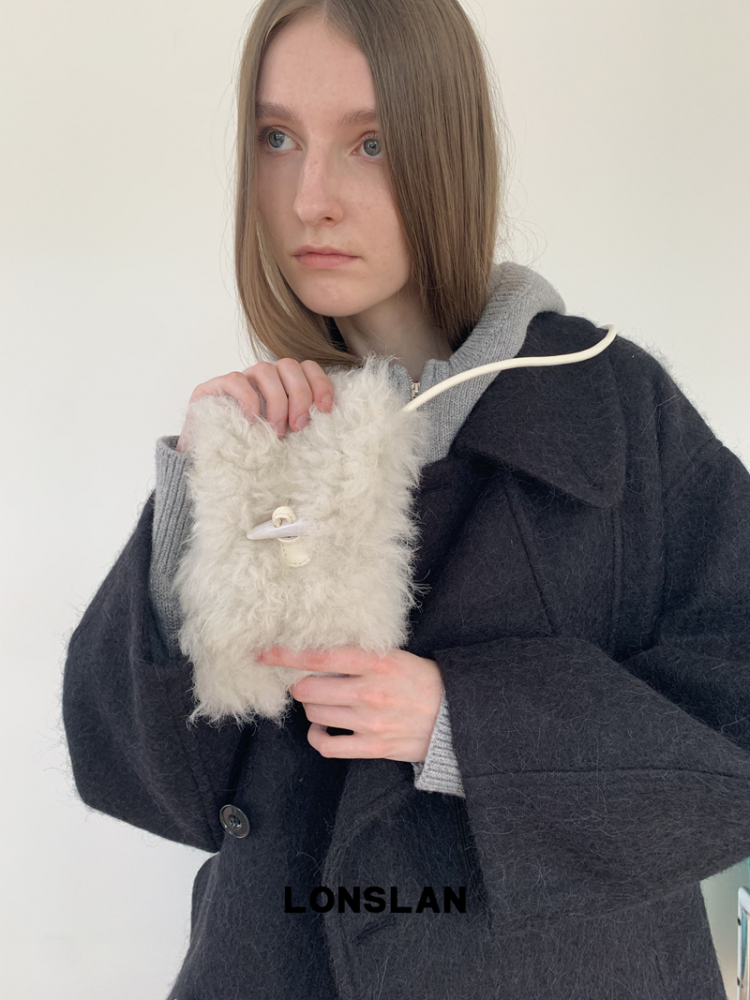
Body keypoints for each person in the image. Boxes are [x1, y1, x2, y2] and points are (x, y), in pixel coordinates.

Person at [61, 1, 750, 998]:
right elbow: (140, 778)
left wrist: (466, 724)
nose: (310, 199)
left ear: (446, 152)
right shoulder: (274, 427)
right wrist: (195, 498)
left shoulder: (609, 407)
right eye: (277, 138)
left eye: (370, 143)